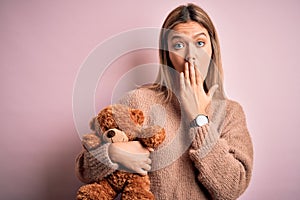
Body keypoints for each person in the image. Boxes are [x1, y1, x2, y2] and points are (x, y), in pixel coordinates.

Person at [75, 3, 253, 200]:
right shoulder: (139, 100)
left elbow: (231, 189)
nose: (190, 56)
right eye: (178, 45)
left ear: (213, 49)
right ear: (167, 53)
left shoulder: (231, 112)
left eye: (200, 43)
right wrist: (113, 153)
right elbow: (84, 169)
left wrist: (199, 118)